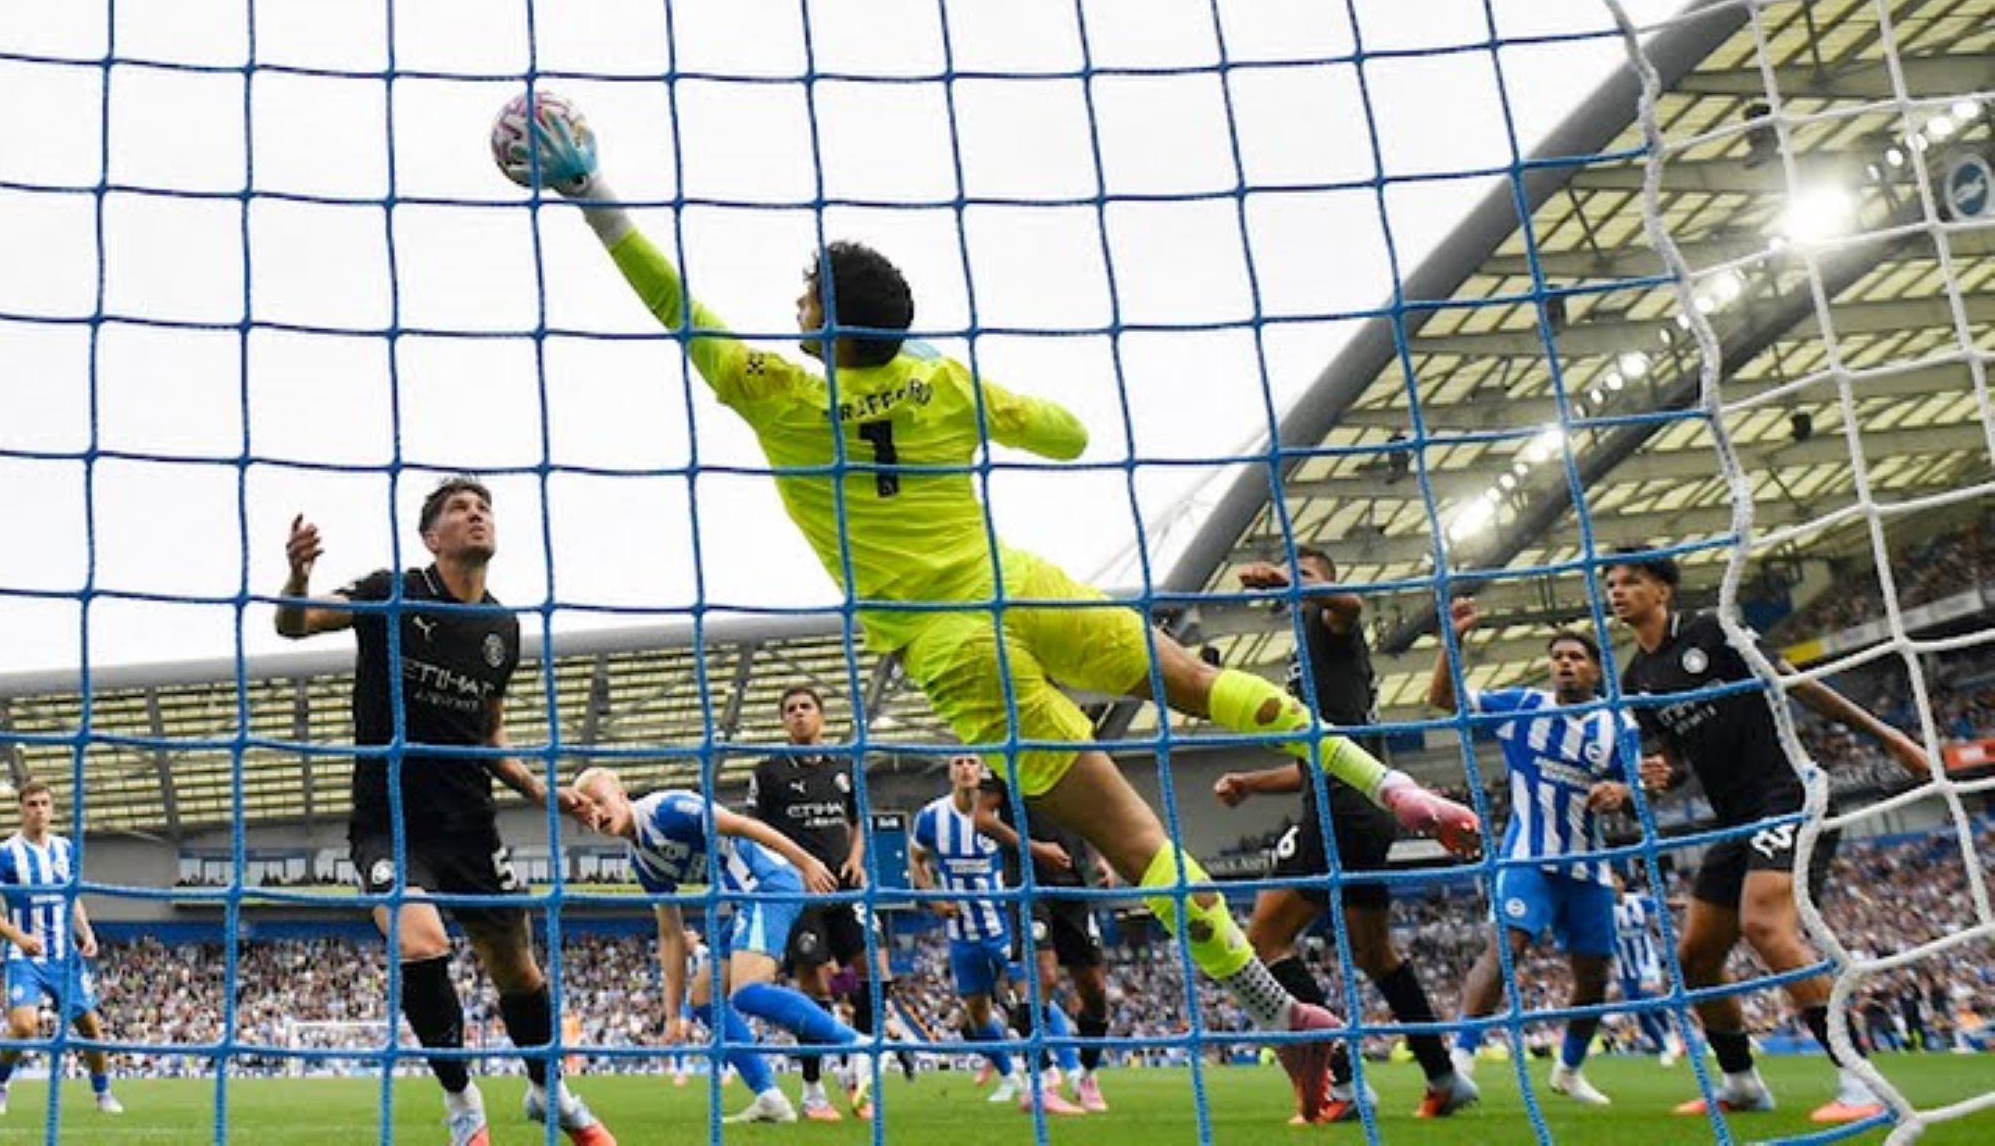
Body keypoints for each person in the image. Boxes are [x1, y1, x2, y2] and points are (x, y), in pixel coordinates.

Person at [494, 92, 1481, 1122]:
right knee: (1195, 680)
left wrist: (586, 189)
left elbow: (675, 303)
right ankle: (1390, 782)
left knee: (1141, 843)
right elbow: (1067, 435)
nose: (792, 309)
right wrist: (946, 382)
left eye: (803, 299)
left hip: (954, 643)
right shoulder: (941, 382)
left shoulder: (776, 394)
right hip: (1023, 580)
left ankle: (1281, 1016)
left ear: (827, 320)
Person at [277, 477, 613, 1146]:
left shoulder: (500, 628)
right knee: (420, 941)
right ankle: (463, 1104)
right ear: (432, 537)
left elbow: (491, 737)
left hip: (470, 825)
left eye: (482, 506)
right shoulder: (389, 592)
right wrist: (296, 574)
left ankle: (550, 1093)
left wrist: (546, 793)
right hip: (388, 823)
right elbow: (293, 624)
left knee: (517, 968)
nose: (476, 513)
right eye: (460, 509)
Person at [1604, 548, 1930, 1123]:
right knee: (1695, 957)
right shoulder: (1638, 677)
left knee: (1764, 926)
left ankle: (1862, 1084)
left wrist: (1890, 739)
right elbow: (1674, 762)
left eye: (1630, 581)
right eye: (1611, 584)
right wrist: (1654, 780)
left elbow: (1797, 684)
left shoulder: (1714, 632)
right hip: (1733, 818)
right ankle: (1742, 1083)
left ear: (1662, 590)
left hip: (1788, 793)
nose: (1617, 591)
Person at [1210, 548, 1476, 1121]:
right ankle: (1443, 1076)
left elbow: (1350, 603)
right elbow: (1314, 761)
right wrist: (1253, 784)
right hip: (1360, 807)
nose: (1295, 581)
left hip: (1340, 811)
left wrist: (1289, 582)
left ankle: (1344, 1085)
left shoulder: (1329, 626)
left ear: (1324, 583)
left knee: (1262, 942)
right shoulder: (1309, 658)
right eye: (1291, 572)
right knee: (1375, 953)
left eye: (1308, 574)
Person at [568, 768, 875, 1125]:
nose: (595, 815)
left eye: (600, 803)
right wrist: (671, 1016)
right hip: (745, 900)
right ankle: (769, 1096)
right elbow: (670, 934)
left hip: (769, 883)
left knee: (747, 993)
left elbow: (743, 825)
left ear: (622, 795)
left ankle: (859, 1046)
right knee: (702, 997)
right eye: (584, 812)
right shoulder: (642, 862)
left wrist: (804, 862)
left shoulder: (666, 811)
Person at [1428, 598, 1634, 1106]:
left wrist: (1621, 794)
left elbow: (1642, 790)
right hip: (1526, 857)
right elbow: (1442, 700)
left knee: (1593, 976)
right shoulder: (1523, 706)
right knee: (1506, 949)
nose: (1565, 662)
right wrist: (1451, 641)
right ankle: (1461, 1060)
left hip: (1588, 868)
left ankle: (1568, 1071)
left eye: (1577, 657)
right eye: (1558, 655)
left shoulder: (1618, 725)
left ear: (1597, 669)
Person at [910, 756, 1079, 1113]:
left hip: (1003, 920)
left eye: (973, 762)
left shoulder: (1000, 814)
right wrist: (933, 896)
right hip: (962, 930)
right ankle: (1009, 1076)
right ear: (950, 771)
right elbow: (915, 860)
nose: (967, 768)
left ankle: (1071, 1072)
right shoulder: (931, 817)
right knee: (976, 1011)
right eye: (959, 762)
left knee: (1030, 991)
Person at [743, 685, 875, 1121]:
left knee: (871, 973)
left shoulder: (844, 767)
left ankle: (857, 1071)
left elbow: (860, 822)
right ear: (783, 721)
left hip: (845, 888)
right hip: (800, 893)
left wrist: (857, 860)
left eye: (806, 707)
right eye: (790, 710)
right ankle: (813, 1089)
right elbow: (752, 831)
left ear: (821, 716)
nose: (799, 715)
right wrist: (789, 870)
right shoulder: (769, 772)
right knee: (815, 983)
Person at [0, 778, 123, 1117]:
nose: (39, 811)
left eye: (44, 804)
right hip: (25, 957)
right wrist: (18, 937)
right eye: (32, 805)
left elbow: (72, 898)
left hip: (64, 956)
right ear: (21, 810)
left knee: (90, 1027)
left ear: (52, 809)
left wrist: (86, 933)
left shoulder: (65, 849)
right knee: (25, 1026)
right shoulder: (6, 853)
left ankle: (103, 1094)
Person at [972, 766, 1114, 1111]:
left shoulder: (1068, 751)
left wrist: (1102, 857)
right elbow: (981, 817)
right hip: (1028, 882)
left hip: (1073, 882)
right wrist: (1034, 848)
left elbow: (1090, 811)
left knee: (1094, 989)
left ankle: (1086, 1076)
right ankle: (1040, 1082)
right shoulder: (1003, 756)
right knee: (1043, 975)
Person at [1610, 871, 1683, 1066]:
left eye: (1615, 880)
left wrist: (1686, 903)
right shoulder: (1602, 909)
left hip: (1646, 962)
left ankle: (1668, 1032)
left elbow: (1663, 904)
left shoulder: (1637, 902)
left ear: (1622, 883)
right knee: (1640, 1012)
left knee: (1649, 1000)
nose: (1611, 885)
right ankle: (1663, 1048)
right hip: (1624, 968)